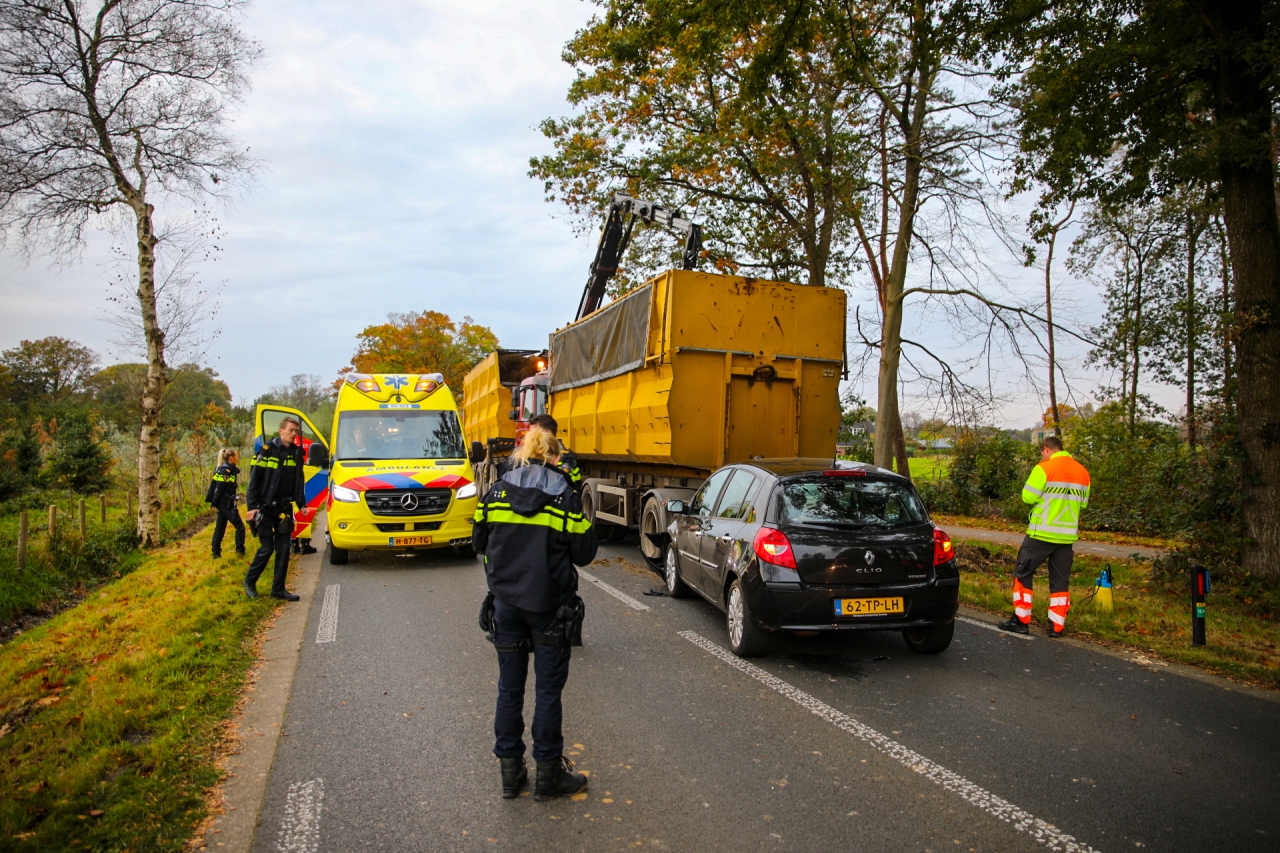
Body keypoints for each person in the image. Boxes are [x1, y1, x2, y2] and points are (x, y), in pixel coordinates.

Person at [472, 423, 598, 801]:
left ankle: (511, 775)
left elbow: (479, 541)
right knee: (547, 692)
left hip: (506, 606)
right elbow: (586, 553)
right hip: (550, 608)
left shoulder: (495, 493)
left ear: (523, 453)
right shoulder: (564, 496)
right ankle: (548, 776)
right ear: (554, 455)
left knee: (509, 690)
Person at [998, 435, 1091, 637]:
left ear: (1046, 449)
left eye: (1043, 453)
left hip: (1042, 533)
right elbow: (1083, 503)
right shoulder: (1082, 471)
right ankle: (1057, 627)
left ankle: (1021, 620)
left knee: (1022, 573)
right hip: (1066, 537)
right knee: (1060, 581)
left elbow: (1027, 497)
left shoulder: (1044, 468)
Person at [244, 416, 307, 601]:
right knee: (266, 548)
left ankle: (278, 590)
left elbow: (298, 480)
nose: (294, 434)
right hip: (264, 508)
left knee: (284, 548)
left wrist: (301, 503)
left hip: (284, 508)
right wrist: (252, 507)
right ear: (281, 431)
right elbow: (254, 481)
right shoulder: (267, 451)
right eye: (291, 430)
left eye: (296, 431)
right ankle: (249, 582)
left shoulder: (296, 453)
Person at [205, 449, 246, 559]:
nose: (237, 458)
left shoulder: (230, 469)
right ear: (231, 457)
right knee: (240, 527)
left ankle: (216, 553)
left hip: (226, 502)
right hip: (224, 503)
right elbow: (219, 488)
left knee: (220, 527)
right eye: (236, 456)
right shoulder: (225, 470)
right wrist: (214, 502)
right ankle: (240, 551)